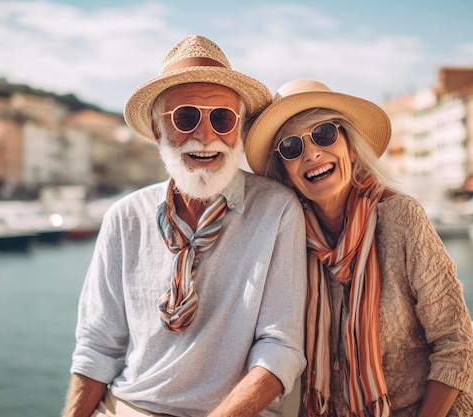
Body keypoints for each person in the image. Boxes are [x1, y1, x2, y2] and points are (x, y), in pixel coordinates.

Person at [62, 36, 308, 417]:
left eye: (222, 118)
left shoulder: (276, 211)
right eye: (187, 117)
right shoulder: (124, 217)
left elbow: (281, 347)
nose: (206, 136)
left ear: (239, 130)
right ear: (158, 131)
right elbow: (97, 348)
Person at [244, 79, 473, 417]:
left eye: (324, 134)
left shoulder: (402, 218)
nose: (312, 153)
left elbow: (455, 346)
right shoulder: (289, 240)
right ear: (284, 173)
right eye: (292, 147)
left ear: (351, 147)